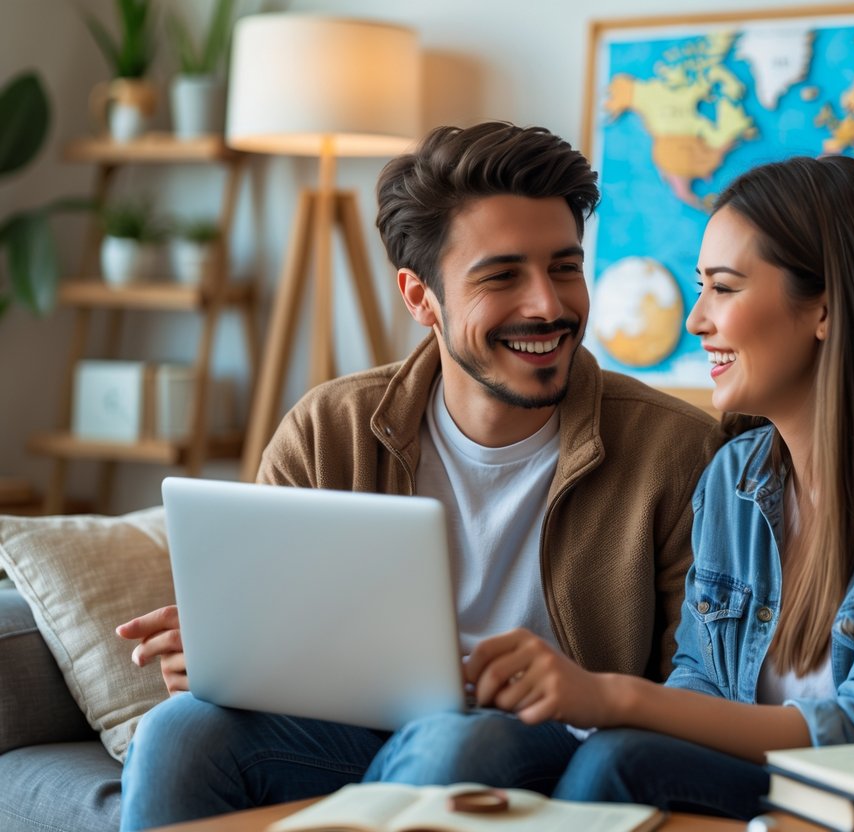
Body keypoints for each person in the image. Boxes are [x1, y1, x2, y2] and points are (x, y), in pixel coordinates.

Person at [381, 155, 854, 819]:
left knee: (618, 759)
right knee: (610, 754)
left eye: (724, 289)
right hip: (773, 789)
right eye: (699, 286)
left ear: (824, 308)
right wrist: (617, 711)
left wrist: (614, 698)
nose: (695, 319)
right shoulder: (735, 476)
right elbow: (700, 678)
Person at [114, 122, 724, 831]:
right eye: (502, 275)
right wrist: (227, 656)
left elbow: (702, 681)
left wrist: (584, 693)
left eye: (564, 267)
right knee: (180, 732)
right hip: (355, 733)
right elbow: (278, 642)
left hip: (561, 751)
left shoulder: (675, 450)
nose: (549, 306)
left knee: (456, 738)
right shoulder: (327, 429)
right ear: (419, 297)